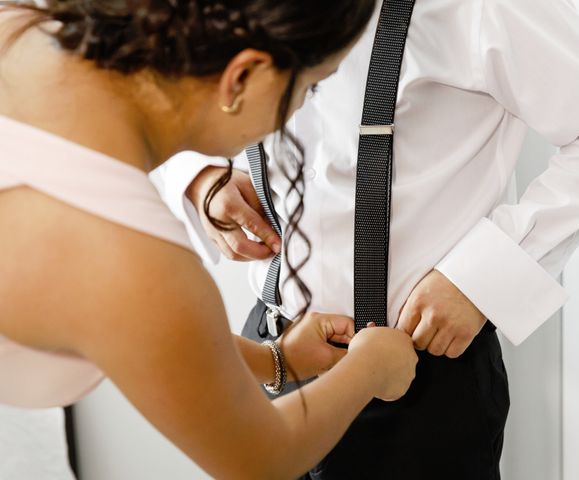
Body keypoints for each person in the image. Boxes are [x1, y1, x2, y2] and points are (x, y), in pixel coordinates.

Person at [175, 0, 579, 478]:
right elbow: (161, 84)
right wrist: (201, 176)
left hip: (416, 386)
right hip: (267, 353)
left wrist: (479, 279)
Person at [0, 1, 420, 479]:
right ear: (242, 76)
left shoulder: (23, 30)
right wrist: (370, 370)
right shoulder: (135, 260)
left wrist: (274, 359)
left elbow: (132, 325)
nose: (302, 108)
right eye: (310, 86)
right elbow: (259, 458)